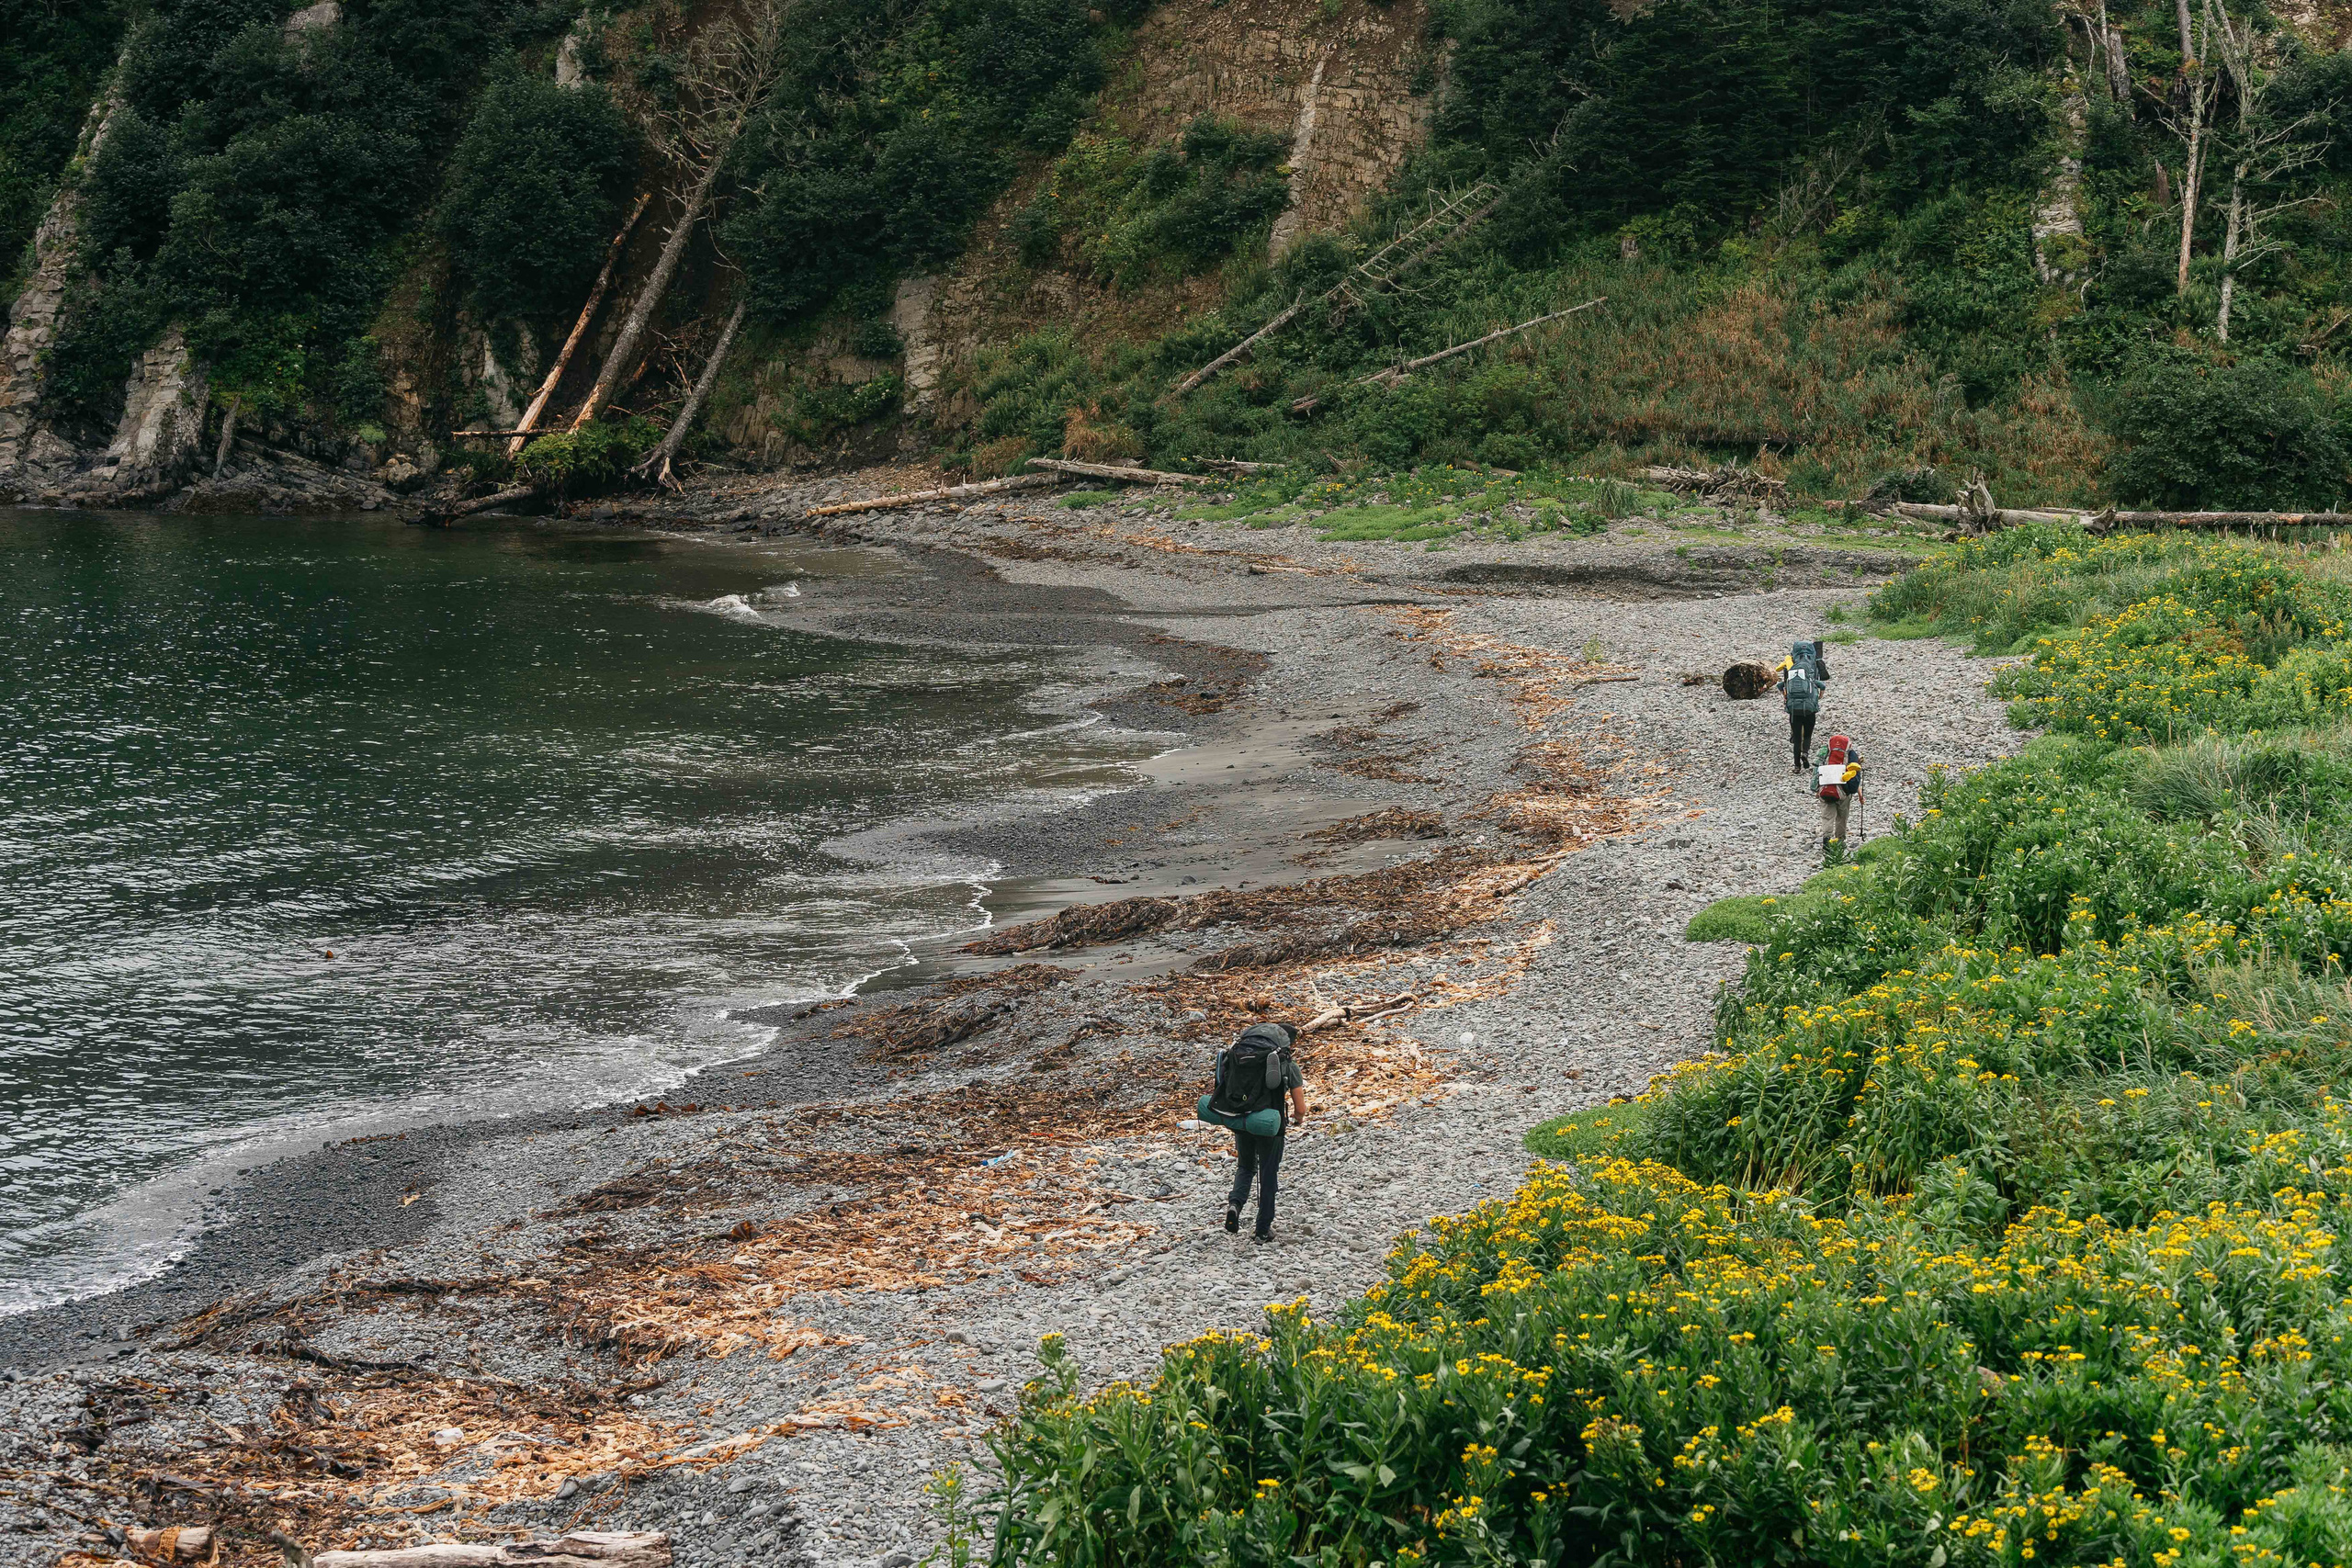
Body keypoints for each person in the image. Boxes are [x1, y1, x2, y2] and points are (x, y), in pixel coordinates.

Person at [1217, 1021, 1307, 1242]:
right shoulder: (1288, 1063)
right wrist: (1298, 1118)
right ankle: (1262, 1229)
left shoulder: (1242, 1055)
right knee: (1268, 1174)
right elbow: (1301, 1108)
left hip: (1243, 1119)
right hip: (1270, 1124)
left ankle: (1235, 1205)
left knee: (1246, 1167)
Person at [1776, 640, 1827, 773]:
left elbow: (1780, 686)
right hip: (1810, 709)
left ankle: (1796, 766)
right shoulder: (1810, 676)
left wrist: (1785, 696)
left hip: (1794, 710)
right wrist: (1819, 696)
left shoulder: (1791, 673)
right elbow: (1823, 685)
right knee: (1808, 736)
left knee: (1797, 738)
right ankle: (1805, 753)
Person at [1815, 731, 1863, 861]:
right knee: (1842, 817)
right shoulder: (1851, 754)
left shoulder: (1825, 752)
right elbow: (1855, 776)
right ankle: (1840, 841)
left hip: (1825, 789)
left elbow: (1817, 770)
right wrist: (1859, 793)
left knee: (1827, 816)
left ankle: (1827, 841)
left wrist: (1816, 789)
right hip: (1843, 792)